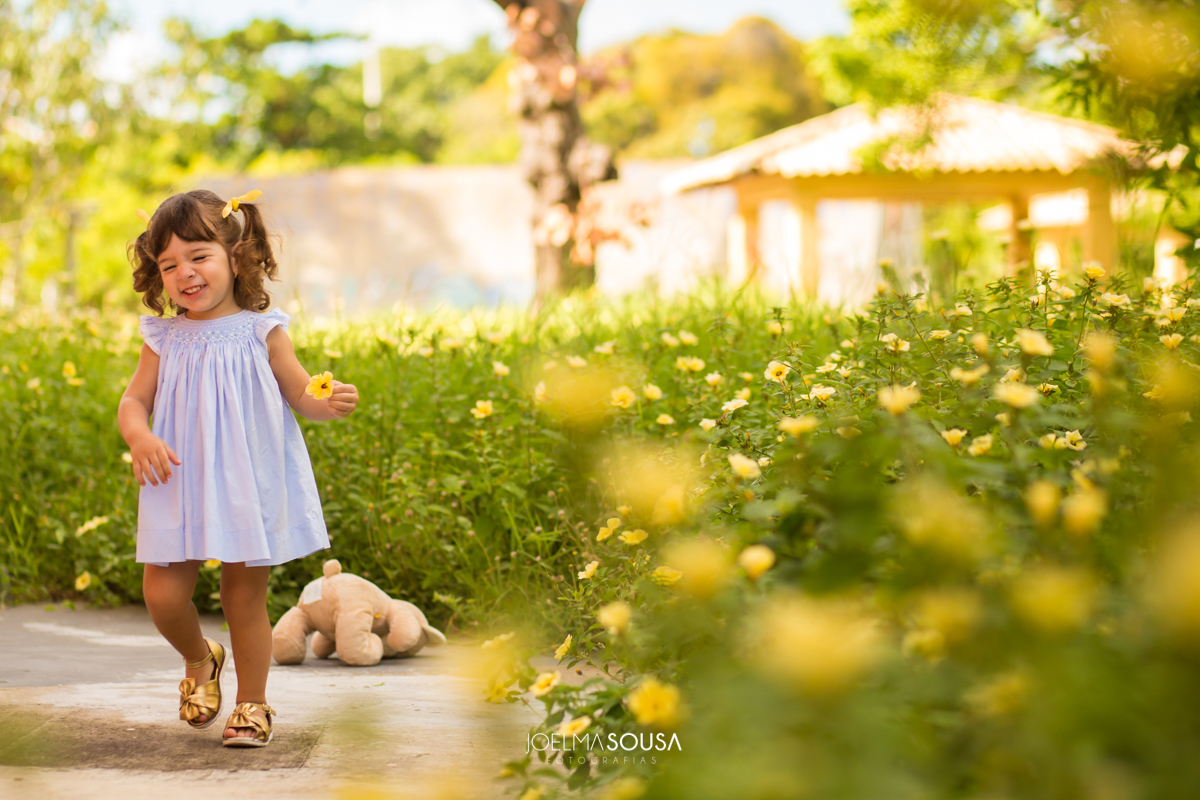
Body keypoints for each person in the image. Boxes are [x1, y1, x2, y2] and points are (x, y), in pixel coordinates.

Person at [117, 189, 359, 748]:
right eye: (168, 264)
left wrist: (326, 400)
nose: (184, 273)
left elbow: (300, 392)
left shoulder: (262, 329)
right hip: (176, 479)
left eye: (198, 256)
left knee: (242, 598)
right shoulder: (163, 337)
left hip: (245, 481)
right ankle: (200, 658)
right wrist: (139, 435)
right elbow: (133, 401)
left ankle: (253, 702)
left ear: (236, 255)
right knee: (163, 596)